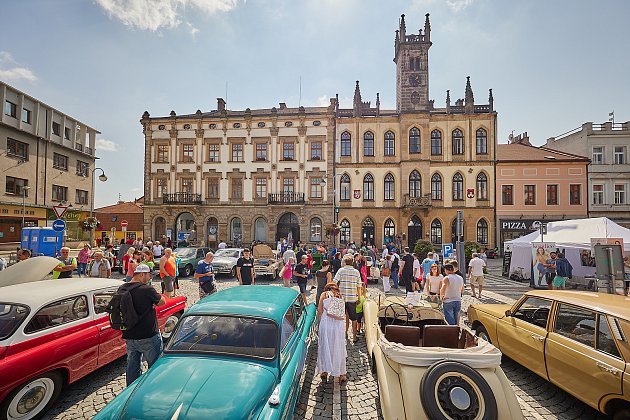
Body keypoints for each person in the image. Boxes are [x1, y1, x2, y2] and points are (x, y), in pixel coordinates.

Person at [118, 264, 166, 386]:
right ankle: (154, 388)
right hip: (148, 335)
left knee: (132, 366)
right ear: (142, 274)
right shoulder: (147, 289)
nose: (150, 278)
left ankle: (131, 389)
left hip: (129, 334)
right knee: (155, 365)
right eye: (149, 275)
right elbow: (162, 302)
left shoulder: (122, 288)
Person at [316, 282, 347, 383]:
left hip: (326, 324)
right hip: (338, 325)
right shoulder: (340, 296)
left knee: (326, 346)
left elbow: (320, 310)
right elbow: (342, 312)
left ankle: (324, 371)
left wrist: (318, 325)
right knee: (338, 346)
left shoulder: (324, 295)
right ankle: (341, 373)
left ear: (326, 289)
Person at [334, 255, 363, 343]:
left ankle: (343, 333)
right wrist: (359, 297)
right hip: (352, 298)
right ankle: (354, 336)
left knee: (340, 317)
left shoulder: (341, 270)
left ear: (345, 262)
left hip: (342, 298)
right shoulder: (356, 272)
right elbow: (359, 286)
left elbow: (334, 282)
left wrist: (336, 293)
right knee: (353, 318)